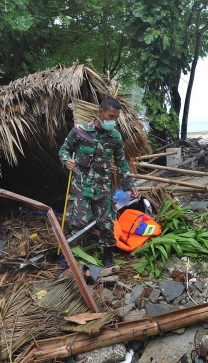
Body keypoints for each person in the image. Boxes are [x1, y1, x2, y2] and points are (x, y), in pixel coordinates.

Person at [59, 97, 138, 267]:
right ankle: (65, 249)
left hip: (102, 187)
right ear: (100, 112)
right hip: (81, 185)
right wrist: (66, 160)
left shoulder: (115, 137)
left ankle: (107, 255)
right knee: (76, 222)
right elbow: (64, 149)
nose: (113, 121)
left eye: (116, 118)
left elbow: (122, 162)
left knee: (107, 222)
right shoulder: (79, 130)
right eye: (111, 116)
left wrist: (129, 185)